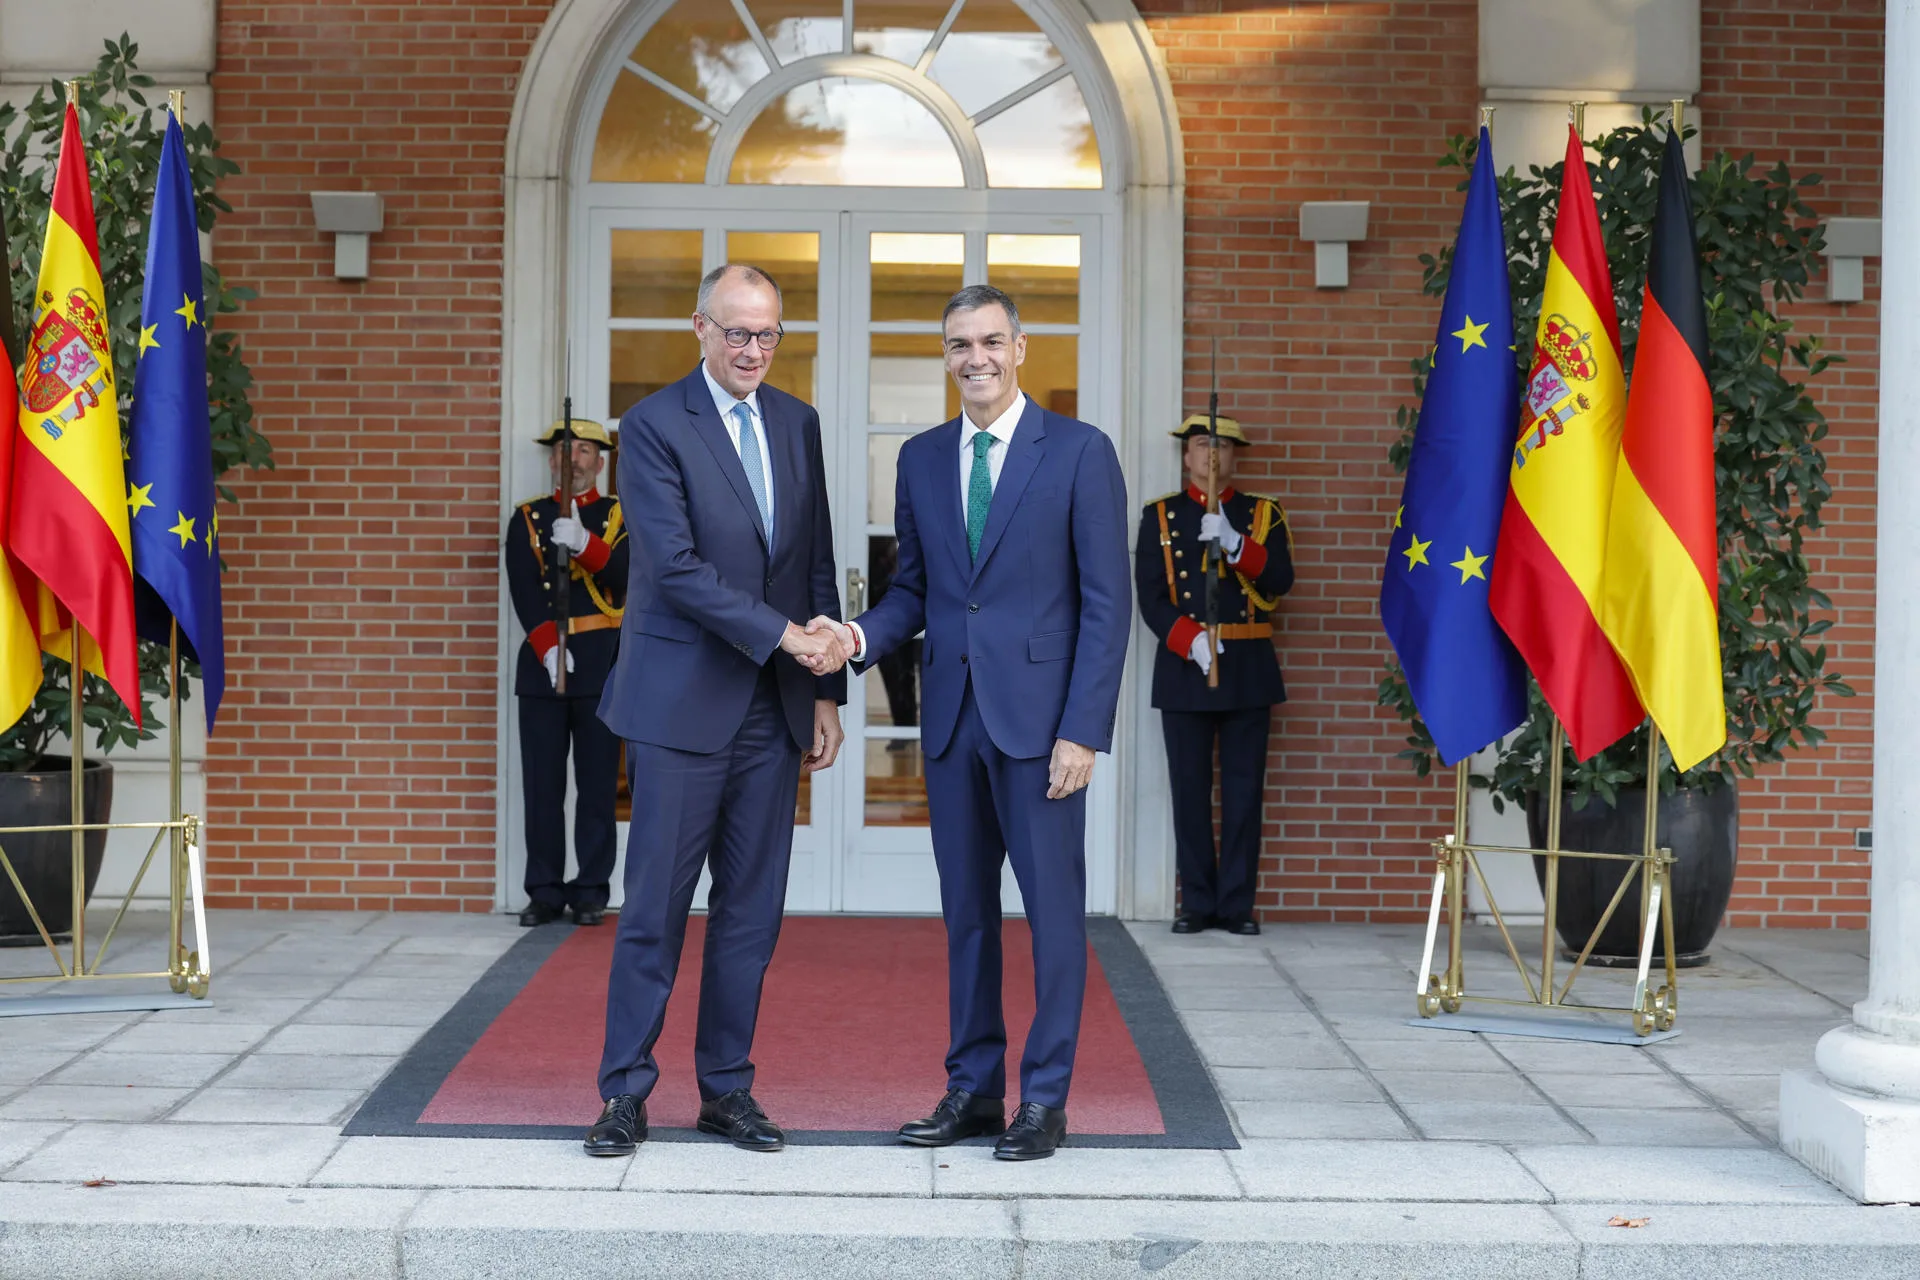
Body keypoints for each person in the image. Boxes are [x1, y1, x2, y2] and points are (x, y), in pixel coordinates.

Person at [841, 284, 1131, 1161]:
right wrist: (855, 637)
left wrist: (1083, 730)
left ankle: (1044, 1101)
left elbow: (1106, 605)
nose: (976, 358)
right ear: (946, 354)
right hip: (952, 725)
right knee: (967, 918)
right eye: (960, 344)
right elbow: (918, 591)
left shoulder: (1080, 452)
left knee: (1051, 918)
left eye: (991, 341)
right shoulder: (923, 459)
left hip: (1044, 731)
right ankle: (973, 1089)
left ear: (1021, 346)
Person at [586, 263, 853, 1158]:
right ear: (700, 327)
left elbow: (813, 557)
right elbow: (676, 569)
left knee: (750, 913)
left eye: (767, 333)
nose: (752, 350)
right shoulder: (656, 424)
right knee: (655, 910)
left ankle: (726, 1091)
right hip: (679, 707)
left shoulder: (797, 422)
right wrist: (790, 639)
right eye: (737, 332)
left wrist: (821, 685)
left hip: (773, 710)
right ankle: (624, 1093)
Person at [1135, 414, 1294, 937]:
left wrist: (1234, 544)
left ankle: (1236, 906)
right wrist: (1192, 640)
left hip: (1247, 667)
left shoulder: (1261, 515)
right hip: (1187, 668)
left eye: (1222, 445)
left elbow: (1280, 580)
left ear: (1235, 456)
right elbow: (1152, 599)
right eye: (1202, 444)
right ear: (1186, 455)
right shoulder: (1159, 517)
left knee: (1245, 795)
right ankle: (1197, 903)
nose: (1211, 453)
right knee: (1190, 792)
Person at [504, 418, 628, 928]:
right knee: (542, 787)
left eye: (582, 450)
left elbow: (626, 579)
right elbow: (523, 587)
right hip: (544, 668)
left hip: (601, 665)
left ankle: (591, 889)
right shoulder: (529, 517)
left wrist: (583, 544)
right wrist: (546, 647)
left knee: (597, 787)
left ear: (599, 461)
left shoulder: (619, 516)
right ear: (553, 461)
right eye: (563, 450)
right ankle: (545, 890)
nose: (572, 458)